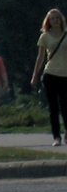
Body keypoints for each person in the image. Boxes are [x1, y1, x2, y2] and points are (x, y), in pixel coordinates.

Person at [30, 8, 67, 147]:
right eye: (52, 18)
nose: (55, 20)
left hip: (65, 74)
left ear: (61, 20)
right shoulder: (45, 37)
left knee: (65, 105)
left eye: (57, 18)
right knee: (53, 107)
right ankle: (56, 136)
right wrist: (35, 75)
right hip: (50, 73)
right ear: (48, 21)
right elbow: (41, 57)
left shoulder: (66, 35)